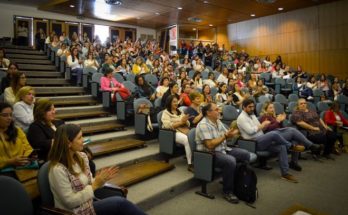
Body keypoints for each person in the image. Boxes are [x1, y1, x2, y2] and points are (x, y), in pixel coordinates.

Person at [48, 124, 146, 214]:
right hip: (73, 212)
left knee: (121, 204)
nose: (83, 140)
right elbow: (70, 202)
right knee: (120, 203)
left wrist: (101, 179)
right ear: (68, 143)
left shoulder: (81, 157)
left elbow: (89, 181)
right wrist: (95, 185)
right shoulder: (57, 169)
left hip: (88, 206)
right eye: (79, 138)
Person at [237, 99, 305, 183]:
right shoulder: (241, 118)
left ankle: (285, 173)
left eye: (253, 107)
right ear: (243, 107)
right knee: (273, 134)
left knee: (281, 147)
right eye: (249, 107)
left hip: (262, 139)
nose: (252, 108)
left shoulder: (252, 115)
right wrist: (262, 125)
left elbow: (259, 128)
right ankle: (291, 146)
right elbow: (251, 131)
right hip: (253, 143)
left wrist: (265, 126)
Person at [196, 102, 250, 203]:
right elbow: (210, 145)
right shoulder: (203, 125)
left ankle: (236, 181)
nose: (219, 111)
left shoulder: (218, 122)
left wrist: (233, 133)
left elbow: (227, 135)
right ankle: (227, 192)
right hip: (209, 155)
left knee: (245, 154)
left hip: (223, 149)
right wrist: (225, 136)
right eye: (216, 110)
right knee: (230, 161)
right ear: (208, 113)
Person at [259, 101, 322, 171]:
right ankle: (311, 146)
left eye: (273, 107)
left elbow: (280, 128)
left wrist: (281, 120)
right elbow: (268, 130)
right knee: (292, 130)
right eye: (270, 108)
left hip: (280, 134)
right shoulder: (264, 117)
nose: (272, 109)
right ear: (265, 109)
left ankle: (293, 162)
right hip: (272, 137)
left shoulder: (274, 116)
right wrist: (278, 121)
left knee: (295, 140)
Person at [161, 95, 193, 171]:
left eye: (177, 101)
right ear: (169, 103)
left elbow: (188, 123)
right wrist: (180, 122)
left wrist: (185, 121)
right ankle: (190, 164)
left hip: (183, 130)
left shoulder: (179, 111)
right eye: (174, 102)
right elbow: (167, 125)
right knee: (187, 139)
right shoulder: (166, 113)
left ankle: (196, 159)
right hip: (172, 133)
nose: (176, 103)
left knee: (194, 136)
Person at [0, 102, 33, 175]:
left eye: (11, 115)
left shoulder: (17, 130)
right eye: (5, 115)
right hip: (3, 172)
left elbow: (28, 148)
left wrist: (26, 158)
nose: (9, 118)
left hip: (22, 168)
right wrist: (10, 161)